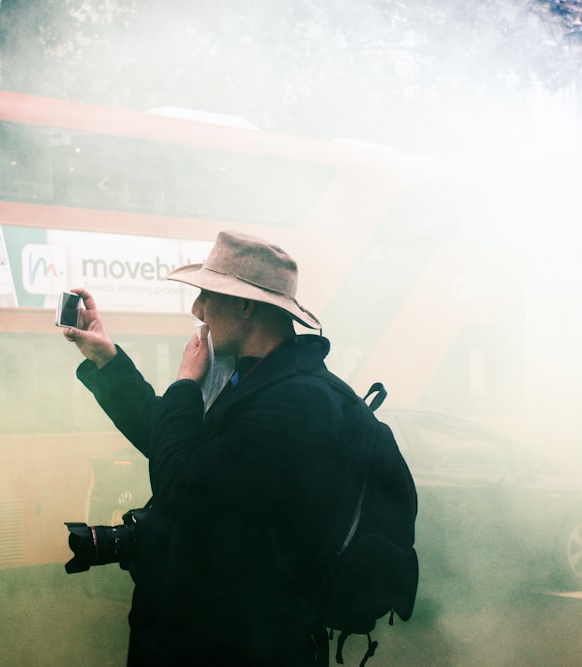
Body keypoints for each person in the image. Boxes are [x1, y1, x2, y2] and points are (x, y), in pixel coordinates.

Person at [63, 231, 360, 667]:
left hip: (236, 643)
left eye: (206, 294)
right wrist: (108, 361)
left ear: (245, 306)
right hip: (201, 632)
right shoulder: (251, 378)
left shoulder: (297, 400)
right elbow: (170, 443)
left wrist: (185, 383)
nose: (196, 309)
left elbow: (182, 482)